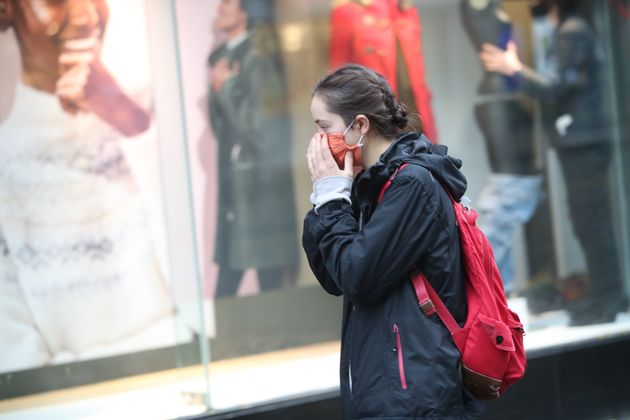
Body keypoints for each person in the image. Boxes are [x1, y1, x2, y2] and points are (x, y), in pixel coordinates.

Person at [0, 0, 172, 373]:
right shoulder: (7, 157)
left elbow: (191, 259)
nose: (86, 14)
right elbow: (14, 347)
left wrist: (119, 111)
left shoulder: (153, 114)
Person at [302, 64, 483, 419]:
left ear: (359, 126)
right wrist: (325, 197)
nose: (318, 142)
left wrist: (333, 200)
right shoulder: (368, 183)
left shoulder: (412, 185)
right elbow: (332, 275)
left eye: (324, 128)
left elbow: (357, 277)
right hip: (385, 383)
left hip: (414, 392)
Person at [480, 0, 628, 325]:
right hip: (580, 141)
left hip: (583, 142)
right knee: (589, 219)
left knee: (591, 220)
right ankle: (606, 294)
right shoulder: (569, 29)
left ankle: (607, 297)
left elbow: (554, 86)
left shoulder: (572, 31)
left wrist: (514, 69)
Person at [208, 0, 299, 298]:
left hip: (260, 177)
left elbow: (261, 125)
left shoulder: (258, 56)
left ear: (246, 12)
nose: (220, 9)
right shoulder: (222, 56)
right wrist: (221, 90)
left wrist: (225, 89)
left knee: (263, 264)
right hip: (238, 174)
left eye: (228, 4)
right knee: (241, 260)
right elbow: (221, 124)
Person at [460, 0, 544, 295]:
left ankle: (501, 287)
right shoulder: (478, 6)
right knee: (510, 192)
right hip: (498, 103)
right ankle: (496, 290)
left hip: (511, 101)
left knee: (516, 191)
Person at [329, 0, 439, 142]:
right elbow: (339, 76)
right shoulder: (347, 12)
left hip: (416, 114)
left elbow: (418, 72)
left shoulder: (406, 11)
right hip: (376, 117)